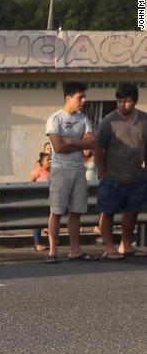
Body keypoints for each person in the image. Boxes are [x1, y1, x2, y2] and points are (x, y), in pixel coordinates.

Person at [43, 81, 97, 263]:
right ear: (68, 98)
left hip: (78, 171)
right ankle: (52, 251)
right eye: (80, 97)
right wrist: (79, 143)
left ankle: (75, 250)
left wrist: (72, 142)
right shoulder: (55, 119)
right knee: (56, 211)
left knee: (76, 211)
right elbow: (57, 147)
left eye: (84, 96)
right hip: (60, 171)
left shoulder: (83, 119)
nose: (84, 100)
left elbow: (92, 144)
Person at [96, 83, 147, 260]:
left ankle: (126, 245)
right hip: (112, 176)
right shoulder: (108, 121)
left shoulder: (144, 120)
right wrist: (102, 174)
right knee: (107, 212)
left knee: (132, 212)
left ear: (134, 101)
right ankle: (109, 247)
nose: (122, 104)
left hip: (136, 176)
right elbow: (98, 150)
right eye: (119, 101)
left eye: (126, 101)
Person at [29, 151, 52, 251]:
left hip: (49, 200)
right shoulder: (38, 170)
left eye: (51, 159)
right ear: (42, 162)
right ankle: (37, 244)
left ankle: (52, 242)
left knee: (50, 221)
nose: (50, 161)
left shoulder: (52, 172)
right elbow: (30, 182)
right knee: (37, 222)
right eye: (48, 160)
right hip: (39, 200)